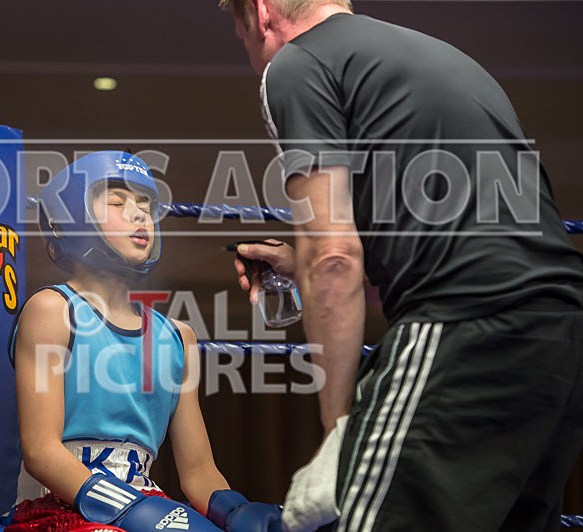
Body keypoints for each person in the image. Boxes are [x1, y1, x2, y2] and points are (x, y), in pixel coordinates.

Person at [219, 1, 583, 531]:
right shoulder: (435, 57)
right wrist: (304, 264)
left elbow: (335, 256)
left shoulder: (298, 64)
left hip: (466, 327)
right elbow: (453, 238)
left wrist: (338, 433)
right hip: (559, 336)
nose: (250, 54)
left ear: (261, 12)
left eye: (240, 35)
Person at [0, 151, 281, 532]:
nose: (138, 214)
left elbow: (198, 471)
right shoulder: (52, 309)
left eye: (145, 204)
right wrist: (133, 510)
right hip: (57, 509)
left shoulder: (178, 338)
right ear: (68, 222)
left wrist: (235, 511)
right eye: (117, 202)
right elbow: (40, 451)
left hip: (147, 507)